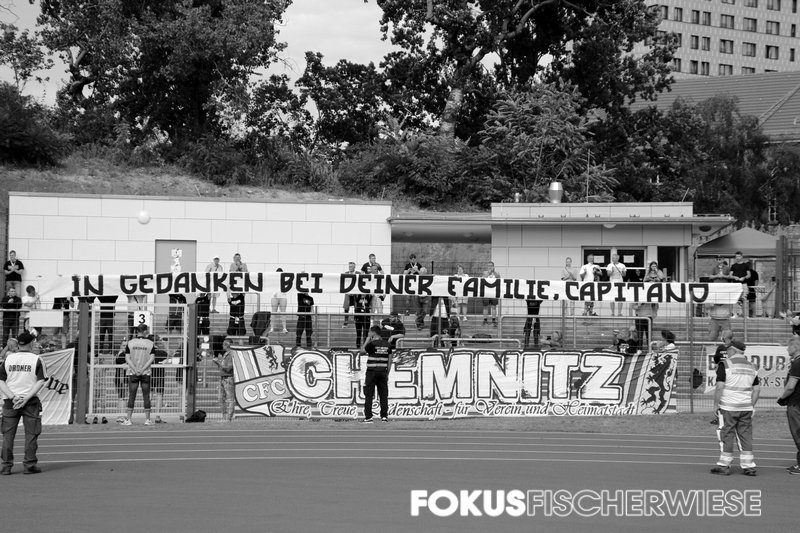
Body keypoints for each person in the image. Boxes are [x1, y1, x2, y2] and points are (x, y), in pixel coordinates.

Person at [711, 340, 759, 476]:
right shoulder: (752, 366)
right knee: (745, 435)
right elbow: (757, 390)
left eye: (728, 350)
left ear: (732, 350)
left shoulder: (725, 364)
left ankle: (724, 465)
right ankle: (748, 466)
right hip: (746, 407)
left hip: (728, 406)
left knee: (727, 434)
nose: (727, 352)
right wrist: (751, 405)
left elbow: (719, 387)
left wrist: (716, 405)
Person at [0, 332, 45, 475]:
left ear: (18, 344)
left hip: (10, 402)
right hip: (30, 402)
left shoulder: (8, 359)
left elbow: (1, 381)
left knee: (8, 436)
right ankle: (29, 465)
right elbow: (41, 381)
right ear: (31, 343)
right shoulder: (37, 359)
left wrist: (13, 397)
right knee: (31, 434)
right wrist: (26, 398)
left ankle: (6, 466)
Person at [121, 323, 156, 426]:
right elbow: (152, 358)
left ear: (137, 331)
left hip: (133, 372)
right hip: (145, 372)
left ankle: (128, 419)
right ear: (145, 331)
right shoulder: (150, 343)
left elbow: (127, 358)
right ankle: (147, 419)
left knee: (132, 395)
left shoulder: (130, 342)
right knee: (146, 396)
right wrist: (143, 369)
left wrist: (135, 369)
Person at [777, 336, 800, 474]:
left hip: (795, 404)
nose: (787, 349)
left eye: (789, 346)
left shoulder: (797, 363)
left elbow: (790, 386)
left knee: (798, 433)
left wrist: (781, 398)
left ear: (795, 347)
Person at [360, 325, 391, 423]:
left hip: (371, 372)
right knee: (383, 395)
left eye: (370, 333)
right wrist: (387, 373)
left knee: (369, 394)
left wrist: (367, 340)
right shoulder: (388, 345)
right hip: (383, 372)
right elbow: (389, 361)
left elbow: (362, 351)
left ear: (373, 333)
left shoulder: (372, 344)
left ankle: (368, 417)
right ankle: (384, 416)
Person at [708, 257, 733, 342]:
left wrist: (723, 276)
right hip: (714, 319)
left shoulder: (727, 268)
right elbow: (710, 276)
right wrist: (717, 276)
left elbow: (731, 276)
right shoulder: (712, 293)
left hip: (725, 319)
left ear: (723, 260)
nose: (719, 260)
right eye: (718, 259)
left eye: (721, 259)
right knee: (712, 338)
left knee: (727, 338)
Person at [211, 338, 235, 422]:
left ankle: (228, 418)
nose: (222, 345)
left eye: (224, 344)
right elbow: (224, 367)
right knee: (221, 398)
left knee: (230, 399)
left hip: (228, 378)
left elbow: (228, 368)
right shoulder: (226, 354)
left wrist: (218, 363)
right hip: (223, 377)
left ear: (227, 345)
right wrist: (219, 363)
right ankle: (224, 417)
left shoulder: (231, 354)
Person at [728, 251, 750, 318]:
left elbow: (749, 275)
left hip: (743, 284)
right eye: (736, 257)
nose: (738, 258)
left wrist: (744, 277)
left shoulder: (746, 265)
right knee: (735, 299)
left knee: (744, 299)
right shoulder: (733, 266)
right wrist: (734, 277)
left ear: (742, 257)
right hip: (735, 285)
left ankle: (745, 314)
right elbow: (730, 275)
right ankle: (735, 314)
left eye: (739, 256)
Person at [270, 268, 289, 333]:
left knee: (283, 313)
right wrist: (274, 292)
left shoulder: (284, 279)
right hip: (274, 296)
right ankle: (272, 328)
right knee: (273, 313)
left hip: (283, 296)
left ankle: (284, 328)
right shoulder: (273, 279)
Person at [482, 261, 500, 327]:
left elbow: (499, 280)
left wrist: (493, 272)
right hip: (486, 292)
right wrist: (488, 273)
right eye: (488, 266)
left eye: (491, 266)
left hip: (493, 292)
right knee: (485, 306)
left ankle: (494, 320)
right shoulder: (485, 273)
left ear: (493, 267)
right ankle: (485, 320)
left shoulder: (496, 274)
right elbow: (482, 279)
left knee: (494, 306)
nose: (490, 267)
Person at [342, 262, 357, 327]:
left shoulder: (358, 274)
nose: (350, 268)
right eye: (349, 266)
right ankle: (346, 320)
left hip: (356, 293)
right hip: (348, 293)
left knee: (356, 307)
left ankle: (356, 319)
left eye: (351, 267)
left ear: (354, 267)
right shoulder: (346, 274)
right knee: (346, 307)